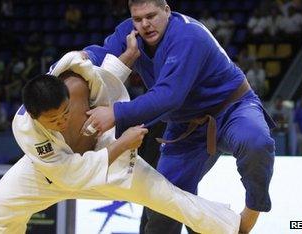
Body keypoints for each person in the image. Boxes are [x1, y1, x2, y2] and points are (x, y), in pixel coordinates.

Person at [0, 51, 241, 233]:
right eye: (53, 120)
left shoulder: (77, 83)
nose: (62, 121)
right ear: (34, 117)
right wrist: (124, 143)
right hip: (48, 175)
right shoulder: (25, 129)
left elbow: (105, 79)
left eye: (65, 112)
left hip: (111, 167)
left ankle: (234, 227)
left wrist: (127, 55)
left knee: (172, 199)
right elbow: (70, 173)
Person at [80, 1, 276, 233]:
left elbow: (169, 96)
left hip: (231, 108)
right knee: (164, 208)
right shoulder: (129, 31)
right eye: (138, 18)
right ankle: (219, 227)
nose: (145, 24)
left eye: (151, 16)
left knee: (257, 142)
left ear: (167, 10)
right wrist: (79, 58)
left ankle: (252, 211)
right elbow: (103, 55)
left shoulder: (187, 35)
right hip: (185, 125)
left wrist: (115, 112)